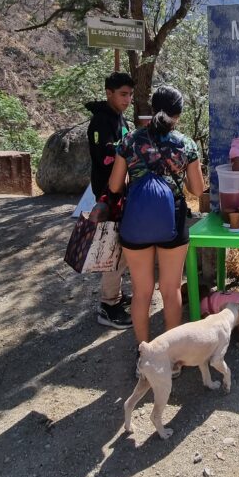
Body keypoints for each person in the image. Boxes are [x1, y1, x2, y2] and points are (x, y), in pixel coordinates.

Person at [106, 85, 205, 361]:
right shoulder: (185, 144)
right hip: (171, 220)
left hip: (135, 222)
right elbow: (197, 190)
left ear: (152, 108)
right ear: (179, 114)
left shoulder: (129, 141)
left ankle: (145, 356)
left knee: (141, 292)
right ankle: (171, 359)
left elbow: (114, 186)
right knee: (171, 289)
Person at [86, 72, 134, 329]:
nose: (128, 100)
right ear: (109, 93)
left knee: (123, 246)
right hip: (108, 196)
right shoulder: (99, 122)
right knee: (113, 249)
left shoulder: (118, 117)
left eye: (130, 95)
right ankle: (108, 304)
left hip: (121, 194)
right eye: (123, 94)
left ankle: (114, 293)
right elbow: (105, 156)